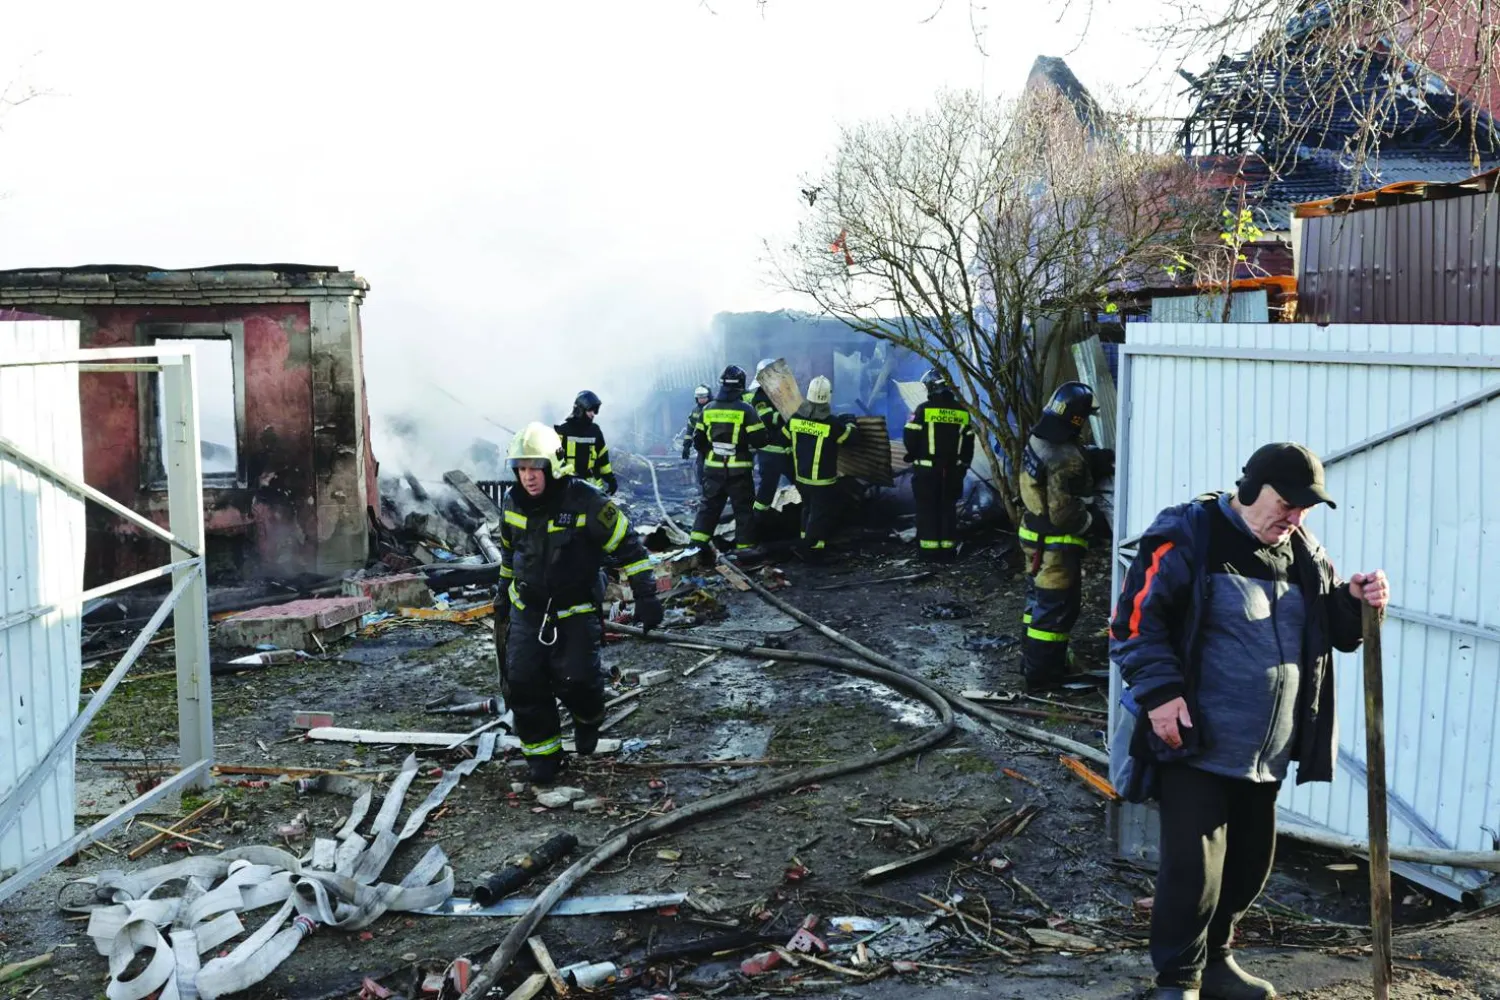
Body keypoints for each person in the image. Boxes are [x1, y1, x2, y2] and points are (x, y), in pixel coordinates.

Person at [1108, 442, 1390, 1000]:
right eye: (1287, 503)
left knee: (1246, 870)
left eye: (1305, 508)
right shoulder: (1189, 537)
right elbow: (1135, 623)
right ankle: (1177, 982)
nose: (1295, 517)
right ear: (1251, 488)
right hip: (1195, 742)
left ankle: (1217, 964)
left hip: (1267, 752)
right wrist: (1161, 695)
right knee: (1195, 872)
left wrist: (1354, 603)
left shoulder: (1304, 552)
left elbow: (1327, 631)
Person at [495, 422, 663, 784]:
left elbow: (628, 545)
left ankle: (588, 717)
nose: (528, 477)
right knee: (523, 682)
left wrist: (646, 595)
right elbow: (510, 557)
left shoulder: (586, 501)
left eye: (535, 468)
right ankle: (544, 756)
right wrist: (501, 598)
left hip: (575, 610)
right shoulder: (511, 503)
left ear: (552, 464)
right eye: (522, 468)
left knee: (578, 681)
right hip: (528, 610)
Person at [1018, 381, 1109, 692]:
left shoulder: (1039, 437)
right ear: (1076, 418)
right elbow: (1062, 513)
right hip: (1056, 547)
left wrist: (1092, 461)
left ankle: (1031, 662)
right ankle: (1046, 676)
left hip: (1032, 537)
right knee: (1057, 609)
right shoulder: (1064, 456)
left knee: (1037, 603)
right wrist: (1093, 523)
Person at [690, 365, 769, 556]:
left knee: (708, 509)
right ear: (740, 386)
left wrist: (713, 451)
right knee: (743, 511)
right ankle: (745, 550)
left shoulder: (707, 409)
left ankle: (695, 548)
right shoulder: (746, 410)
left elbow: (698, 441)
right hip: (739, 473)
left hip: (713, 471)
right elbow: (760, 440)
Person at [902, 368, 975, 561]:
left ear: (931, 388)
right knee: (948, 508)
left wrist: (914, 456)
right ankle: (947, 551)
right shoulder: (962, 412)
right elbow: (969, 443)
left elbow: (910, 438)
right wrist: (963, 466)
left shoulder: (922, 410)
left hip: (927, 471)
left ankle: (929, 552)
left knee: (927, 509)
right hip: (953, 471)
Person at [788, 375, 857, 560]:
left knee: (808, 510)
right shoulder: (831, 423)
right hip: (822, 481)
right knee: (820, 515)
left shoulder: (794, 418)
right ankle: (809, 550)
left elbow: (784, 436)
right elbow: (849, 439)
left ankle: (812, 546)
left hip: (801, 477)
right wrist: (850, 422)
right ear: (828, 396)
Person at [746, 358, 795, 519]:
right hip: (770, 454)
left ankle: (807, 521)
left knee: (803, 485)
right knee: (767, 490)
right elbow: (768, 419)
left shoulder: (781, 392)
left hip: (787, 452)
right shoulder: (759, 397)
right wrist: (787, 415)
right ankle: (758, 522)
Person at [554, 390, 618, 495]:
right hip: (567, 487)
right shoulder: (563, 430)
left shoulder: (595, 431)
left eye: (595, 411)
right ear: (580, 409)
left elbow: (603, 459)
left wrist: (610, 479)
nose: (593, 414)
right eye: (591, 411)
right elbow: (553, 459)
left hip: (592, 489)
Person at [681, 384, 711, 490]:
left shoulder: (714, 408)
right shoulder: (695, 412)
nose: (702, 400)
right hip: (702, 448)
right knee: (701, 471)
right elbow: (690, 430)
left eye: (704, 397)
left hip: (714, 446)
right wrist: (686, 447)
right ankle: (704, 493)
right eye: (699, 398)